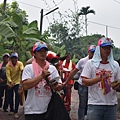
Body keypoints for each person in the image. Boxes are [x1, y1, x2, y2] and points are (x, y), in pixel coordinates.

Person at [22, 41, 62, 120]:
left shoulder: (52, 68)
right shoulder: (29, 68)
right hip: (32, 110)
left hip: (49, 109)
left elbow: (59, 85)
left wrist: (57, 86)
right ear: (34, 53)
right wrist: (41, 76)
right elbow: (25, 85)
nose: (42, 53)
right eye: (40, 51)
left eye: (44, 51)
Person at [81, 37, 120, 120]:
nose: (107, 50)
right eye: (104, 48)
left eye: (109, 48)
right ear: (99, 49)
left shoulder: (115, 65)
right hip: (95, 104)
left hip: (111, 104)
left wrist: (116, 86)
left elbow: (117, 82)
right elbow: (83, 81)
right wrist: (99, 79)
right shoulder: (90, 64)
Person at [63, 45, 96, 120]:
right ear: (88, 52)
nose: (93, 54)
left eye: (95, 52)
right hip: (83, 85)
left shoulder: (99, 62)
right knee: (82, 105)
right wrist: (66, 82)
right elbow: (74, 72)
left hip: (93, 85)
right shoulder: (82, 61)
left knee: (91, 104)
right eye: (92, 52)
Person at [6, 52, 24, 118]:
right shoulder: (8, 65)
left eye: (15, 58)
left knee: (17, 96)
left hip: (17, 82)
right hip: (10, 82)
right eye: (13, 58)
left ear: (17, 58)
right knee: (9, 96)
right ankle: (11, 109)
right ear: (11, 59)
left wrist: (22, 70)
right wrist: (10, 82)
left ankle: (16, 112)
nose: (14, 60)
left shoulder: (20, 63)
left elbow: (22, 68)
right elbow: (8, 75)